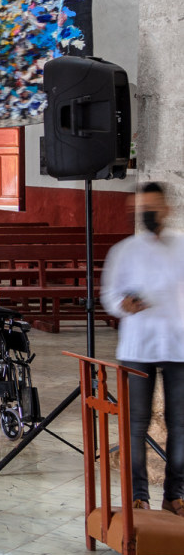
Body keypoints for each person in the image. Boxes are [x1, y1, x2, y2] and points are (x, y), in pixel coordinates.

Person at [101, 182, 184, 516]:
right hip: (138, 346)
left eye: (153, 207)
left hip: (178, 344)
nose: (148, 213)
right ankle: (139, 496)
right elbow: (109, 296)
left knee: (181, 425)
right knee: (136, 425)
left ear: (166, 208)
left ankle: (175, 495)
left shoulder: (181, 245)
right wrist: (124, 305)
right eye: (143, 208)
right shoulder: (124, 251)